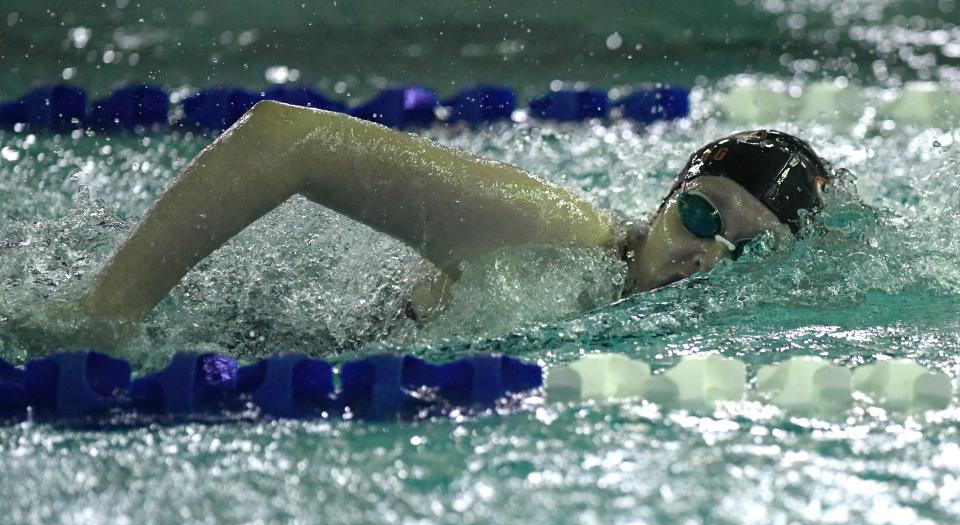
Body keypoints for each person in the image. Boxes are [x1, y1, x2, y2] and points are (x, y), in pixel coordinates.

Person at [77, 101, 831, 334]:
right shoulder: (559, 235)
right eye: (701, 215)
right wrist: (106, 315)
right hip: (256, 343)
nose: (704, 255)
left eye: (744, 249)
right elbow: (285, 139)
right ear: (665, 203)